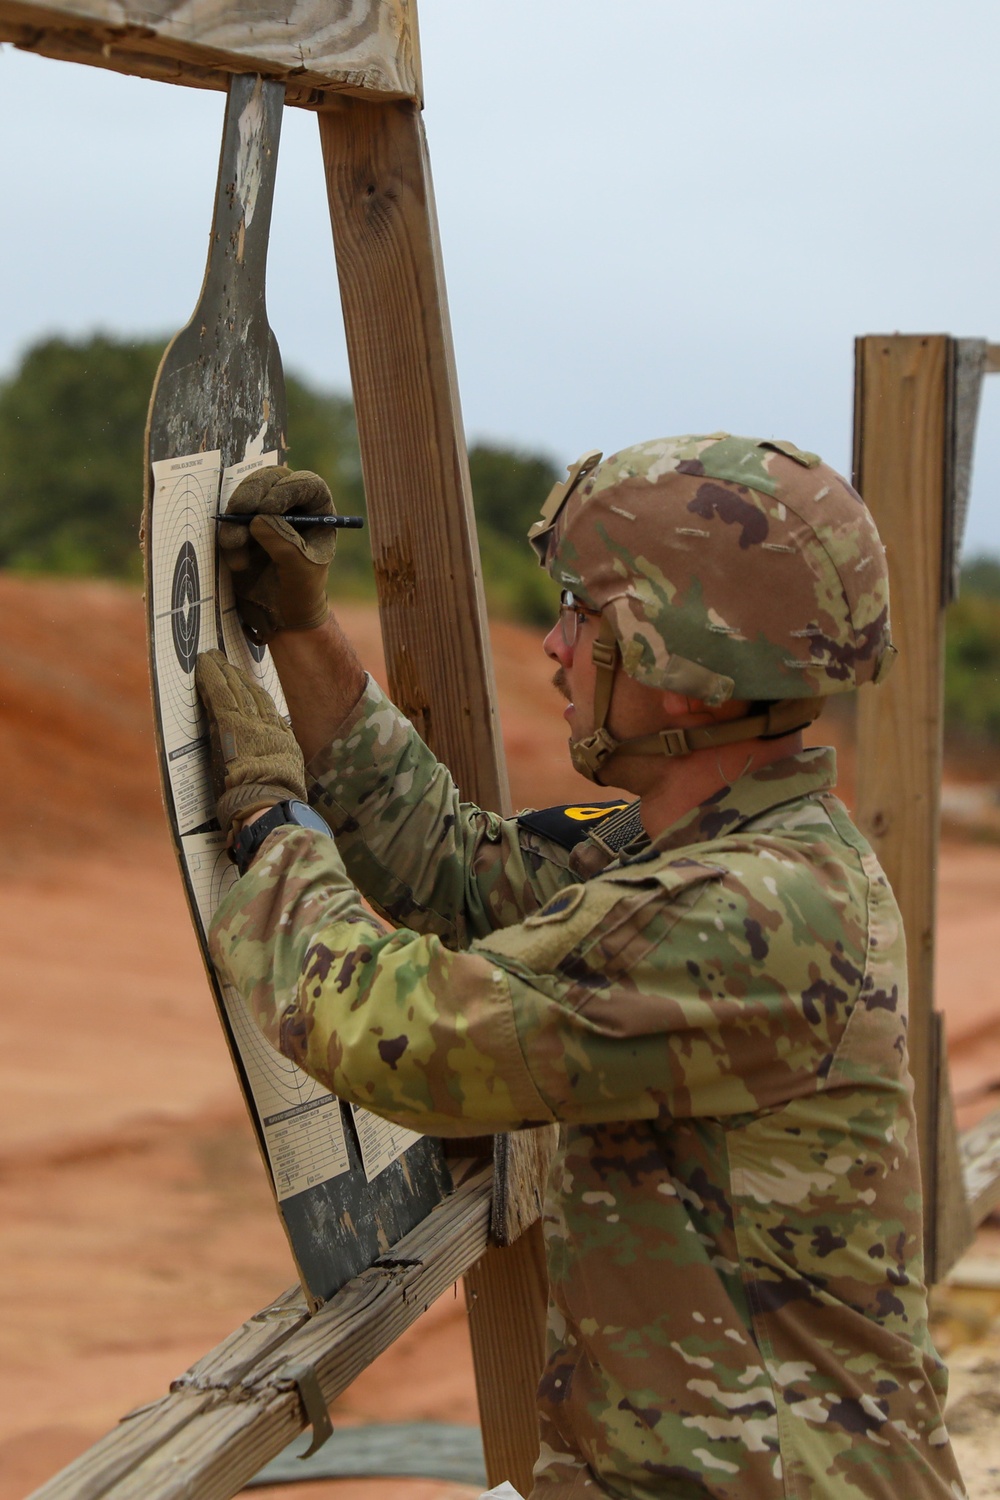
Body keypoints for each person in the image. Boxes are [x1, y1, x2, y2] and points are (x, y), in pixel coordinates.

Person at [197, 434, 966, 1500]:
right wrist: (299, 630)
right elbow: (457, 870)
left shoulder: (747, 912)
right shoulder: (721, 851)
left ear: (684, 674)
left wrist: (271, 831)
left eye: (584, 618)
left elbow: (403, 1039)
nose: (555, 648)